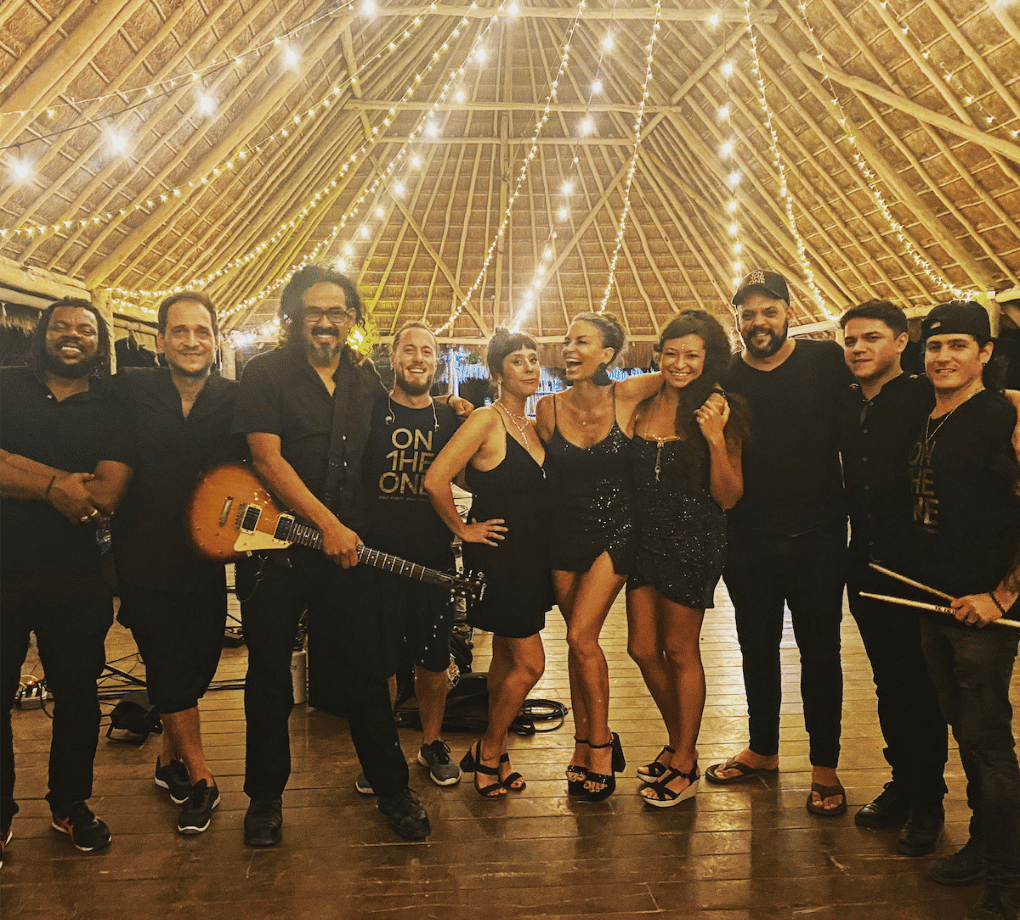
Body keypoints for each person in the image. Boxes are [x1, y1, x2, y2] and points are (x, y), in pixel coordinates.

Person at [232, 265, 430, 845]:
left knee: (367, 671)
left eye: (337, 311)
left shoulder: (364, 379)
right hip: (277, 551)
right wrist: (328, 526)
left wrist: (451, 410)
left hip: (346, 551)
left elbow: (388, 442)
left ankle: (392, 790)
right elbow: (267, 459)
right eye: (314, 311)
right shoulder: (264, 373)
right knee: (269, 678)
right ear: (294, 316)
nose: (325, 321)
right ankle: (264, 800)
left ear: (351, 319)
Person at [707, 270, 850, 818]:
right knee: (756, 647)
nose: (759, 321)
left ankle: (825, 767)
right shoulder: (724, 375)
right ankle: (763, 748)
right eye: (748, 313)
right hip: (748, 537)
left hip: (819, 535)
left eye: (769, 310)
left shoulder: (827, 361)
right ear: (737, 320)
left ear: (790, 312)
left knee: (821, 651)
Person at [1, 299, 132, 863]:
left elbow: (105, 495)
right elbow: (79, 490)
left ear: (100, 344)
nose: (73, 336)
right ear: (42, 334)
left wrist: (15, 467)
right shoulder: (4, 386)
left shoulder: (114, 406)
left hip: (78, 577)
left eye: (85, 329)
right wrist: (58, 485)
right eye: (61, 327)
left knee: (79, 698)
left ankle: (70, 803)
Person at [905, 301, 1020, 920]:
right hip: (936, 602)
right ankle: (982, 845)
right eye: (934, 346)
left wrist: (1003, 595)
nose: (943, 357)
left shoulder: (1002, 417)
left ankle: (1009, 878)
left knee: (988, 742)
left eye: (958, 345)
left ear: (986, 354)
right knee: (967, 737)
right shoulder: (928, 414)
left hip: (983, 613)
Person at [111, 292, 239, 835]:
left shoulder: (235, 398)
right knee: (166, 662)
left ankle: (169, 761)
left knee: (201, 660)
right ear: (161, 340)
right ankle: (203, 776)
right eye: (179, 331)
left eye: (201, 331)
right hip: (141, 553)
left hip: (205, 558)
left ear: (216, 340)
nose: (191, 341)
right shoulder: (128, 388)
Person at [836, 300, 949, 855]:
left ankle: (929, 800)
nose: (859, 348)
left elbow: (994, 403)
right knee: (889, 683)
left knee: (922, 686)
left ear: (902, 341)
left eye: (871, 337)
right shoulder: (846, 401)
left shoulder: (926, 395)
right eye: (851, 340)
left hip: (919, 567)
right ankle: (904, 782)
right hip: (865, 566)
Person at [534, 312, 660, 802]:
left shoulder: (628, 394)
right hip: (564, 532)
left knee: (579, 634)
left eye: (582, 341)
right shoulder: (548, 408)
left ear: (607, 354)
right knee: (579, 645)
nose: (569, 349)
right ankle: (582, 742)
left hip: (618, 529)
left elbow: (685, 371)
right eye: (567, 341)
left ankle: (602, 745)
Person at [424, 328, 554, 797]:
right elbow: (436, 479)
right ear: (498, 372)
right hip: (499, 559)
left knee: (505, 655)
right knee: (531, 664)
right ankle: (489, 748)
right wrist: (463, 529)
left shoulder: (533, 424)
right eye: (518, 360)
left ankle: (497, 753)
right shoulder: (485, 419)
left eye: (533, 358)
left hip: (531, 557)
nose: (529, 367)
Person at [627, 311, 747, 807]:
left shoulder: (719, 409)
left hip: (693, 539)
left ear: (708, 358)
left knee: (679, 651)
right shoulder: (644, 401)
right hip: (643, 538)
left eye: (691, 355)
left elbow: (729, 496)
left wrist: (715, 439)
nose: (679, 363)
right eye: (671, 353)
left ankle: (684, 760)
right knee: (641, 648)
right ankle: (680, 743)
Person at [359, 321, 463, 789]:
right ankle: (381, 754)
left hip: (433, 563)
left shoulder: (452, 420)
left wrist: (466, 529)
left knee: (434, 663)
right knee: (379, 665)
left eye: (427, 351)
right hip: (375, 563)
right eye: (409, 349)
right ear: (394, 358)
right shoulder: (368, 411)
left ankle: (432, 743)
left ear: (436, 362)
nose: (418, 358)